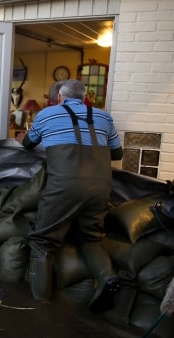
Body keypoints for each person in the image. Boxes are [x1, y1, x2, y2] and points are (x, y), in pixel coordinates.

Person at [15, 80, 124, 313]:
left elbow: (27, 143)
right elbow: (117, 153)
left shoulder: (46, 115)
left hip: (65, 186)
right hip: (102, 187)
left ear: (60, 97)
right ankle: (107, 277)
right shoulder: (105, 117)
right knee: (91, 237)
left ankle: (39, 307)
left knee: (42, 242)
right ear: (85, 97)